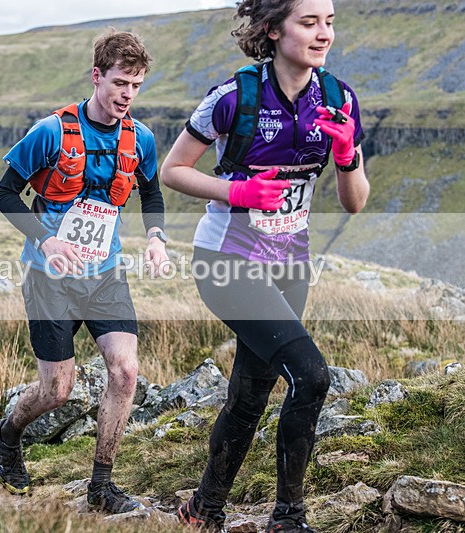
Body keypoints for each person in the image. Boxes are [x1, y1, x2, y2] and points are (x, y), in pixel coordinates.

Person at [160, 0, 369, 531]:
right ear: (273, 30)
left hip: (289, 264)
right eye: (309, 22)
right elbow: (173, 170)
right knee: (311, 376)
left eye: (330, 22)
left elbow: (354, 202)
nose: (324, 34)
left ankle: (203, 509)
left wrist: (346, 159)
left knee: (250, 395)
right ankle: (288, 518)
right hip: (226, 260)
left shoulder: (340, 98)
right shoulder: (234, 97)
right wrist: (239, 192)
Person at [0, 29, 169, 514]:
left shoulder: (142, 138)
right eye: (119, 83)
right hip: (49, 277)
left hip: (105, 273)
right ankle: (8, 432)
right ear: (97, 76)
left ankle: (101, 485)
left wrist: (155, 238)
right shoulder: (51, 131)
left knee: (126, 371)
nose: (127, 95)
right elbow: (5, 193)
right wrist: (46, 238)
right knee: (57, 391)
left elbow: (150, 194)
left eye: (135, 86)